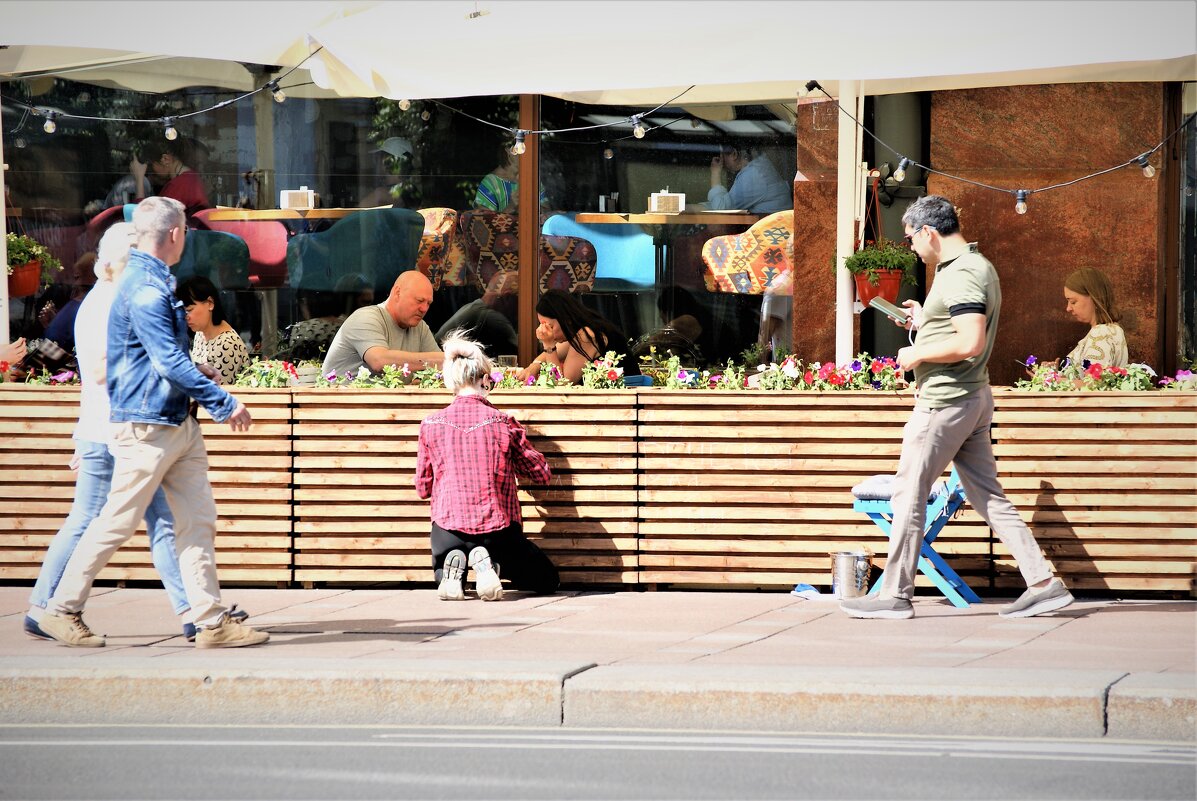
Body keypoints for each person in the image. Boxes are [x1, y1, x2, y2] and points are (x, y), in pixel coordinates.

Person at [37, 196, 268, 649]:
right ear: (177, 234)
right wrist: (223, 402)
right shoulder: (145, 287)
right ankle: (60, 610)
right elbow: (164, 361)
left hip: (172, 420)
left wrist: (196, 372)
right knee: (116, 522)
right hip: (147, 427)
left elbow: (155, 357)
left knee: (196, 521)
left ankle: (211, 622)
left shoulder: (154, 281)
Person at [840, 195, 1073, 621]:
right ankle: (1043, 582)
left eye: (911, 238)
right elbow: (958, 324)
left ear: (929, 232)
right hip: (971, 398)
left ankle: (893, 594)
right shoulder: (968, 267)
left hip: (945, 402)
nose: (911, 248)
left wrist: (915, 356)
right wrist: (922, 319)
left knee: (908, 492)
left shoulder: (962, 274)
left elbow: (970, 342)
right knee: (988, 496)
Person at [416, 332, 558, 601]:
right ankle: (489, 563)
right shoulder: (503, 423)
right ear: (484, 380)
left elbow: (422, 488)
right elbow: (541, 474)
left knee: (443, 571)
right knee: (547, 579)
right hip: (497, 532)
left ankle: (454, 565)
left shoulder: (430, 424)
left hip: (446, 531)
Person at [321, 270, 443, 378]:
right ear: (397, 292)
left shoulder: (420, 327)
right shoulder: (365, 318)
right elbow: (379, 361)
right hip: (340, 401)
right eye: (420, 301)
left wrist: (421, 377)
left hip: (385, 402)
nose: (424, 309)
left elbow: (443, 368)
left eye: (428, 303)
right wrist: (439, 360)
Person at [517, 289, 629, 384]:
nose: (546, 331)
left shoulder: (586, 336)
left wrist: (548, 344)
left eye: (549, 326)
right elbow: (546, 357)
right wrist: (534, 366)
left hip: (628, 401)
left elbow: (561, 384)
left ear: (565, 320)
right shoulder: (578, 331)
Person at [177, 275, 250, 385]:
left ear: (210, 303)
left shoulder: (227, 345)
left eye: (190, 310)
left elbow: (219, 394)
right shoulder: (200, 333)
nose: (186, 316)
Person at [434, 271, 518, 358]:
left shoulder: (475, 308)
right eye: (518, 301)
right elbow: (520, 351)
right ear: (507, 297)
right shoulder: (490, 317)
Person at [1062, 267, 1128, 367]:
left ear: (1094, 298)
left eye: (1073, 302)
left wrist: (1048, 378)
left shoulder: (1101, 334)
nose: (1068, 308)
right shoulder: (1112, 329)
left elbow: (1093, 382)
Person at [132, 139, 210, 217]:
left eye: (152, 165)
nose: (152, 170)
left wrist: (139, 178)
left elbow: (148, 219)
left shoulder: (179, 185)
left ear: (166, 159)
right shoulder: (191, 177)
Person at [707, 142, 791, 214]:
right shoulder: (759, 166)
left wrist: (715, 173)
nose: (722, 160)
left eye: (722, 155)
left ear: (734, 154)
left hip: (770, 228)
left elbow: (721, 210)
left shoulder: (753, 175)